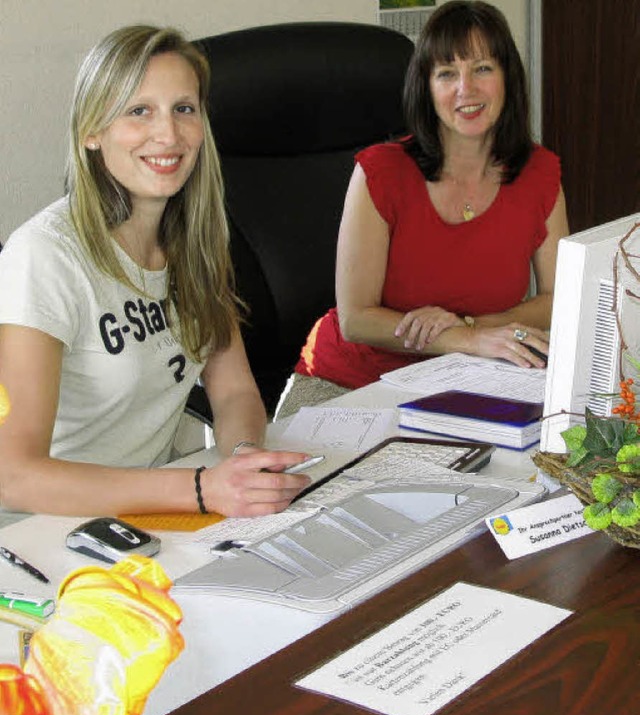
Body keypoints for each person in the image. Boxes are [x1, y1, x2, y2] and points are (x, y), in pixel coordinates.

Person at [0, 25, 311, 517]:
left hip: (155, 519)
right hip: (40, 537)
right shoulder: (44, 256)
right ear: (92, 131)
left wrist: (245, 459)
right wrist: (201, 490)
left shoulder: (196, 241)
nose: (168, 134)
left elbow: (232, 391)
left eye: (183, 109)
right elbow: (12, 476)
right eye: (138, 111)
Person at [276, 0, 569, 419]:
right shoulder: (381, 172)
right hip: (349, 383)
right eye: (447, 73)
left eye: (483, 68)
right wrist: (463, 337)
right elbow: (356, 319)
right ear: (427, 88)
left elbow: (558, 298)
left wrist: (470, 328)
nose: (466, 89)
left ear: (508, 78)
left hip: (468, 379)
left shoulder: (539, 173)